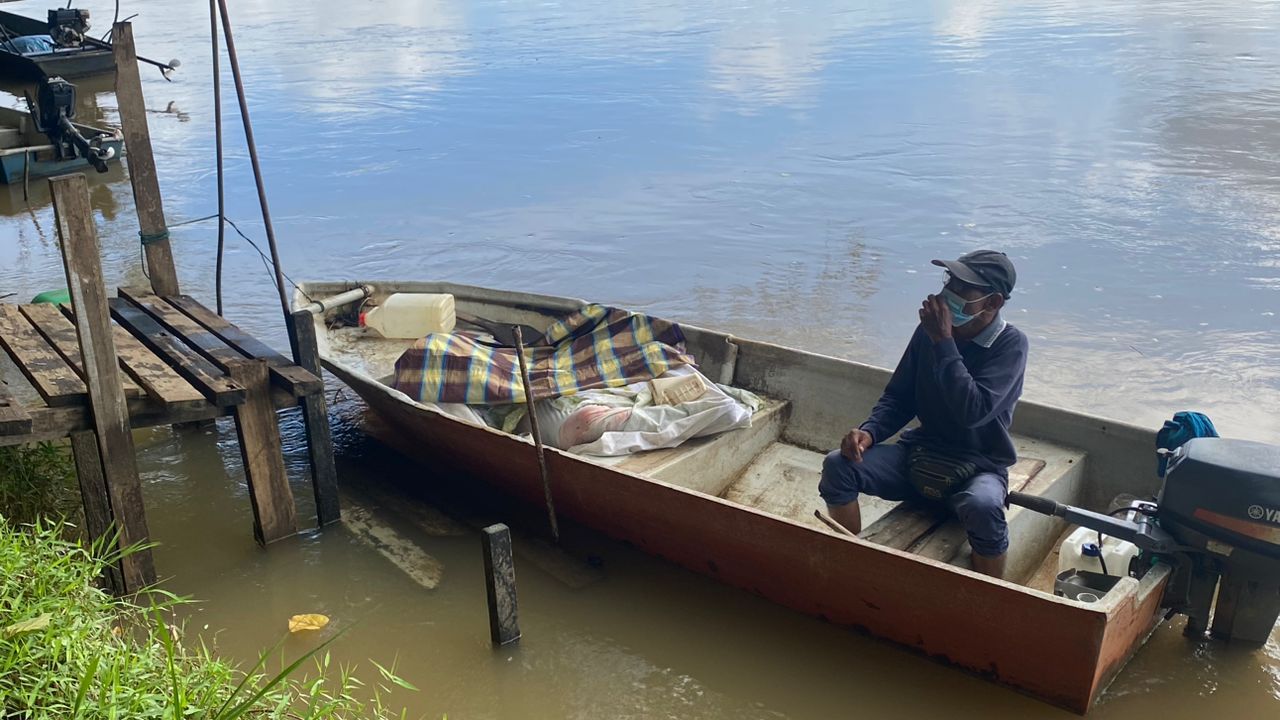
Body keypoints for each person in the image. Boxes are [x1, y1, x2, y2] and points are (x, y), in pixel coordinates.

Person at [818, 250, 1028, 578]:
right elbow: (899, 396)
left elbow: (973, 411)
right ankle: (848, 567)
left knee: (984, 506)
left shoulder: (1010, 345)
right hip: (920, 455)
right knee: (838, 466)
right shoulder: (930, 333)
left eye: (963, 288)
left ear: (993, 303)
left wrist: (944, 342)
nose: (948, 294)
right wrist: (869, 432)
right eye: (950, 281)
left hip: (979, 466)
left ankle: (987, 596)